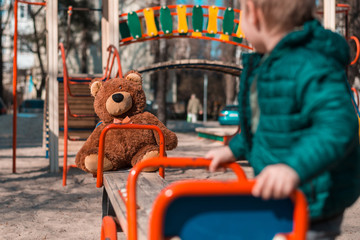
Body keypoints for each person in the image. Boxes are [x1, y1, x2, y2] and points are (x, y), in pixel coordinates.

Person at [206, 0, 360, 239]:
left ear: (254, 14)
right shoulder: (271, 63)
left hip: (311, 200)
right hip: (284, 195)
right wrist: (234, 149)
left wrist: (292, 168)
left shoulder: (311, 63)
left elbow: (338, 125)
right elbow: (266, 125)